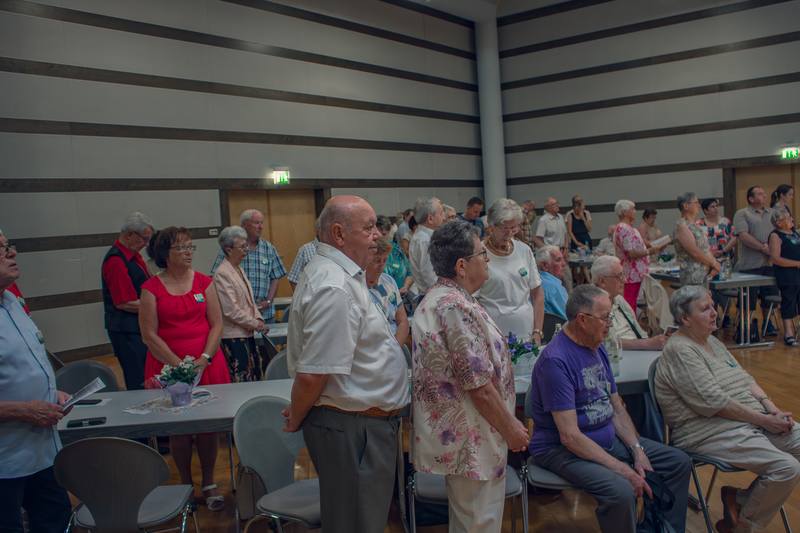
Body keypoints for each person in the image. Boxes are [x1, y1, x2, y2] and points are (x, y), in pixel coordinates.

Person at [282, 196, 410, 533]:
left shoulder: (342, 274)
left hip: (357, 425)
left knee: (361, 521)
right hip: (353, 429)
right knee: (355, 524)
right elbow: (313, 375)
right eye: (369, 228)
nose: (377, 235)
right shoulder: (334, 285)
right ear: (339, 234)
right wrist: (298, 413)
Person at [529, 284, 692, 533]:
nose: (610, 324)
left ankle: (661, 529)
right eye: (605, 318)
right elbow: (570, 437)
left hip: (606, 439)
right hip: (561, 449)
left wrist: (637, 451)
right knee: (623, 492)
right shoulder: (556, 361)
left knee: (677, 462)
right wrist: (622, 468)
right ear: (582, 320)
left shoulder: (598, 346)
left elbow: (616, 409)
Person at [411, 220, 529, 532]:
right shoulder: (454, 306)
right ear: (461, 265)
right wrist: (512, 428)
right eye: (481, 253)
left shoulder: (447, 297)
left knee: (472, 521)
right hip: (473, 434)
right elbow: (479, 386)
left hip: (470, 432)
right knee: (478, 523)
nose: (487, 258)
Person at [655, 285, 800, 533]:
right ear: (685, 319)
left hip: (747, 420)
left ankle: (739, 502)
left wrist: (771, 409)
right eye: (705, 309)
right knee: (786, 468)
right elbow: (715, 402)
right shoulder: (680, 349)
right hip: (708, 431)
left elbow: (745, 378)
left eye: (713, 306)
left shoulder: (712, 341)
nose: (714, 312)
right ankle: (743, 525)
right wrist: (765, 421)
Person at [139, 227, 230, 511]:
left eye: (191, 246)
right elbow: (149, 335)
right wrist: (180, 367)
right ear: (165, 254)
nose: (188, 252)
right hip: (169, 366)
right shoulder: (151, 288)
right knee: (178, 428)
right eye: (181, 247)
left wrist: (203, 358)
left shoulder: (204, 282)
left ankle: (209, 482)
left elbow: (217, 325)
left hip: (206, 363)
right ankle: (185, 484)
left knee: (208, 426)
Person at [0, 231, 73, 533]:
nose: (12, 253)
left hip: (43, 451)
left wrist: (51, 392)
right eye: (0, 249)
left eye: (9, 246)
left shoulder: (12, 301)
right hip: (5, 460)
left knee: (56, 520)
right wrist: (24, 410)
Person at [592, 255, 668, 441]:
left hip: (640, 358)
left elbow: (639, 332)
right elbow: (607, 343)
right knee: (643, 391)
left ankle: (673, 436)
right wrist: (648, 345)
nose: (625, 280)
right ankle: (659, 443)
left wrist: (652, 344)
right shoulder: (592, 305)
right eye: (619, 276)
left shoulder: (619, 300)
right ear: (602, 281)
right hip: (616, 364)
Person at [476, 199, 545, 345]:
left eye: (513, 228)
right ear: (491, 225)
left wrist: (537, 331)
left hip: (526, 333)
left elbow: (537, 294)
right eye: (503, 229)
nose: (509, 234)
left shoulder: (524, 250)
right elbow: (473, 301)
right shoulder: (478, 254)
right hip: (493, 335)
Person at [101, 212, 154, 391]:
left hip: (137, 327)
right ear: (130, 234)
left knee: (147, 374)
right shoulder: (116, 260)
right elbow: (124, 302)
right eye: (144, 239)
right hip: (126, 331)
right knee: (138, 378)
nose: (146, 244)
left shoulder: (132, 256)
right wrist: (158, 306)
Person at [213, 226, 270, 382]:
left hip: (246, 332)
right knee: (242, 381)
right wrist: (255, 324)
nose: (246, 249)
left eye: (246, 245)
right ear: (229, 250)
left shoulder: (238, 269)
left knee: (254, 377)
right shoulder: (222, 273)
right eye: (242, 246)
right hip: (234, 337)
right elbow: (230, 310)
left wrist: (258, 320)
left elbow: (250, 301)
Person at [211, 209, 286, 324]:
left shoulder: (269, 248)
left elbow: (275, 277)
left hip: (265, 312)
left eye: (262, 222)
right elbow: (217, 277)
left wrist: (268, 302)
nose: (260, 226)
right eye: (256, 222)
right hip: (240, 315)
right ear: (244, 225)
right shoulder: (231, 248)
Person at [733, 187, 780, 336]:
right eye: (760, 194)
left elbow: (780, 231)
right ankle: (745, 325)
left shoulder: (772, 213)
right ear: (751, 198)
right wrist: (763, 247)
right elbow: (744, 236)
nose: (764, 195)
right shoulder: (742, 214)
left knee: (769, 295)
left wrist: (772, 248)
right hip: (751, 263)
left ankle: (767, 322)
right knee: (748, 297)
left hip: (770, 263)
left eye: (764, 193)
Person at [614, 200, 665, 310]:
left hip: (635, 273)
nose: (635, 212)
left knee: (633, 303)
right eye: (632, 209)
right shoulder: (624, 228)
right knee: (630, 304)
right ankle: (629, 321)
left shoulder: (627, 228)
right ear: (624, 212)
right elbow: (631, 253)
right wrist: (648, 252)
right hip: (631, 273)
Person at [367, 239, 410, 346]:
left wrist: (396, 348)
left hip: (395, 345)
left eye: (385, 261)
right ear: (365, 259)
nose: (381, 266)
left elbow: (403, 321)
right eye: (377, 261)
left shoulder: (389, 281)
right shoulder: (358, 287)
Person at [768, 207, 800, 347]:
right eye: (788, 218)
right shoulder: (775, 236)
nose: (791, 219)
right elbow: (776, 259)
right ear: (779, 223)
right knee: (788, 301)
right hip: (787, 275)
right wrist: (797, 264)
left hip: (798, 273)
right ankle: (788, 333)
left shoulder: (794, 232)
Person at [674, 192, 720, 287]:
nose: (699, 205)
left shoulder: (694, 224)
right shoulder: (682, 226)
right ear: (686, 206)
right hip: (692, 277)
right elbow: (694, 252)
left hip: (704, 276)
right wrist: (713, 263)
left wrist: (714, 265)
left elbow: (705, 248)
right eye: (696, 202)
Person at [408, 197, 446, 294]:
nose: (443, 218)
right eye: (441, 213)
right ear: (430, 218)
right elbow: (431, 278)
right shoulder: (424, 241)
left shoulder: (424, 237)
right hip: (434, 295)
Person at [535, 197, 573, 295]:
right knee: (553, 279)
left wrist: (566, 250)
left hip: (561, 252)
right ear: (547, 207)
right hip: (552, 255)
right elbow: (537, 240)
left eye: (557, 203)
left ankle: (569, 299)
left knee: (567, 278)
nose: (557, 205)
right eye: (553, 204)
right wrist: (546, 254)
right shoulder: (544, 220)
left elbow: (565, 236)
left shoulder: (560, 217)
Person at [376, 215, 413, 296]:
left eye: (384, 234)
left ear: (388, 233)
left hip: (401, 296)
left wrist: (405, 287)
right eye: (378, 234)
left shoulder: (397, 249)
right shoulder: (370, 251)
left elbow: (409, 273)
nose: (381, 238)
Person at [537, 245, 568, 320]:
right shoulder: (556, 289)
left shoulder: (532, 282)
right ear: (544, 265)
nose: (564, 263)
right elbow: (570, 320)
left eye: (563, 259)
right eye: (558, 260)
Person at [288, 218, 320, 292]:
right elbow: (294, 280)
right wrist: (301, 298)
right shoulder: (305, 250)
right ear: (319, 231)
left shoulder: (337, 249)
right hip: (312, 297)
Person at [567, 196, 593, 285]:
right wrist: (576, 242)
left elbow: (589, 229)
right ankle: (587, 283)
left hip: (585, 238)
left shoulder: (586, 214)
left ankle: (582, 282)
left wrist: (583, 218)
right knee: (578, 264)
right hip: (576, 239)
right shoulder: (570, 215)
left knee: (585, 264)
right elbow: (570, 231)